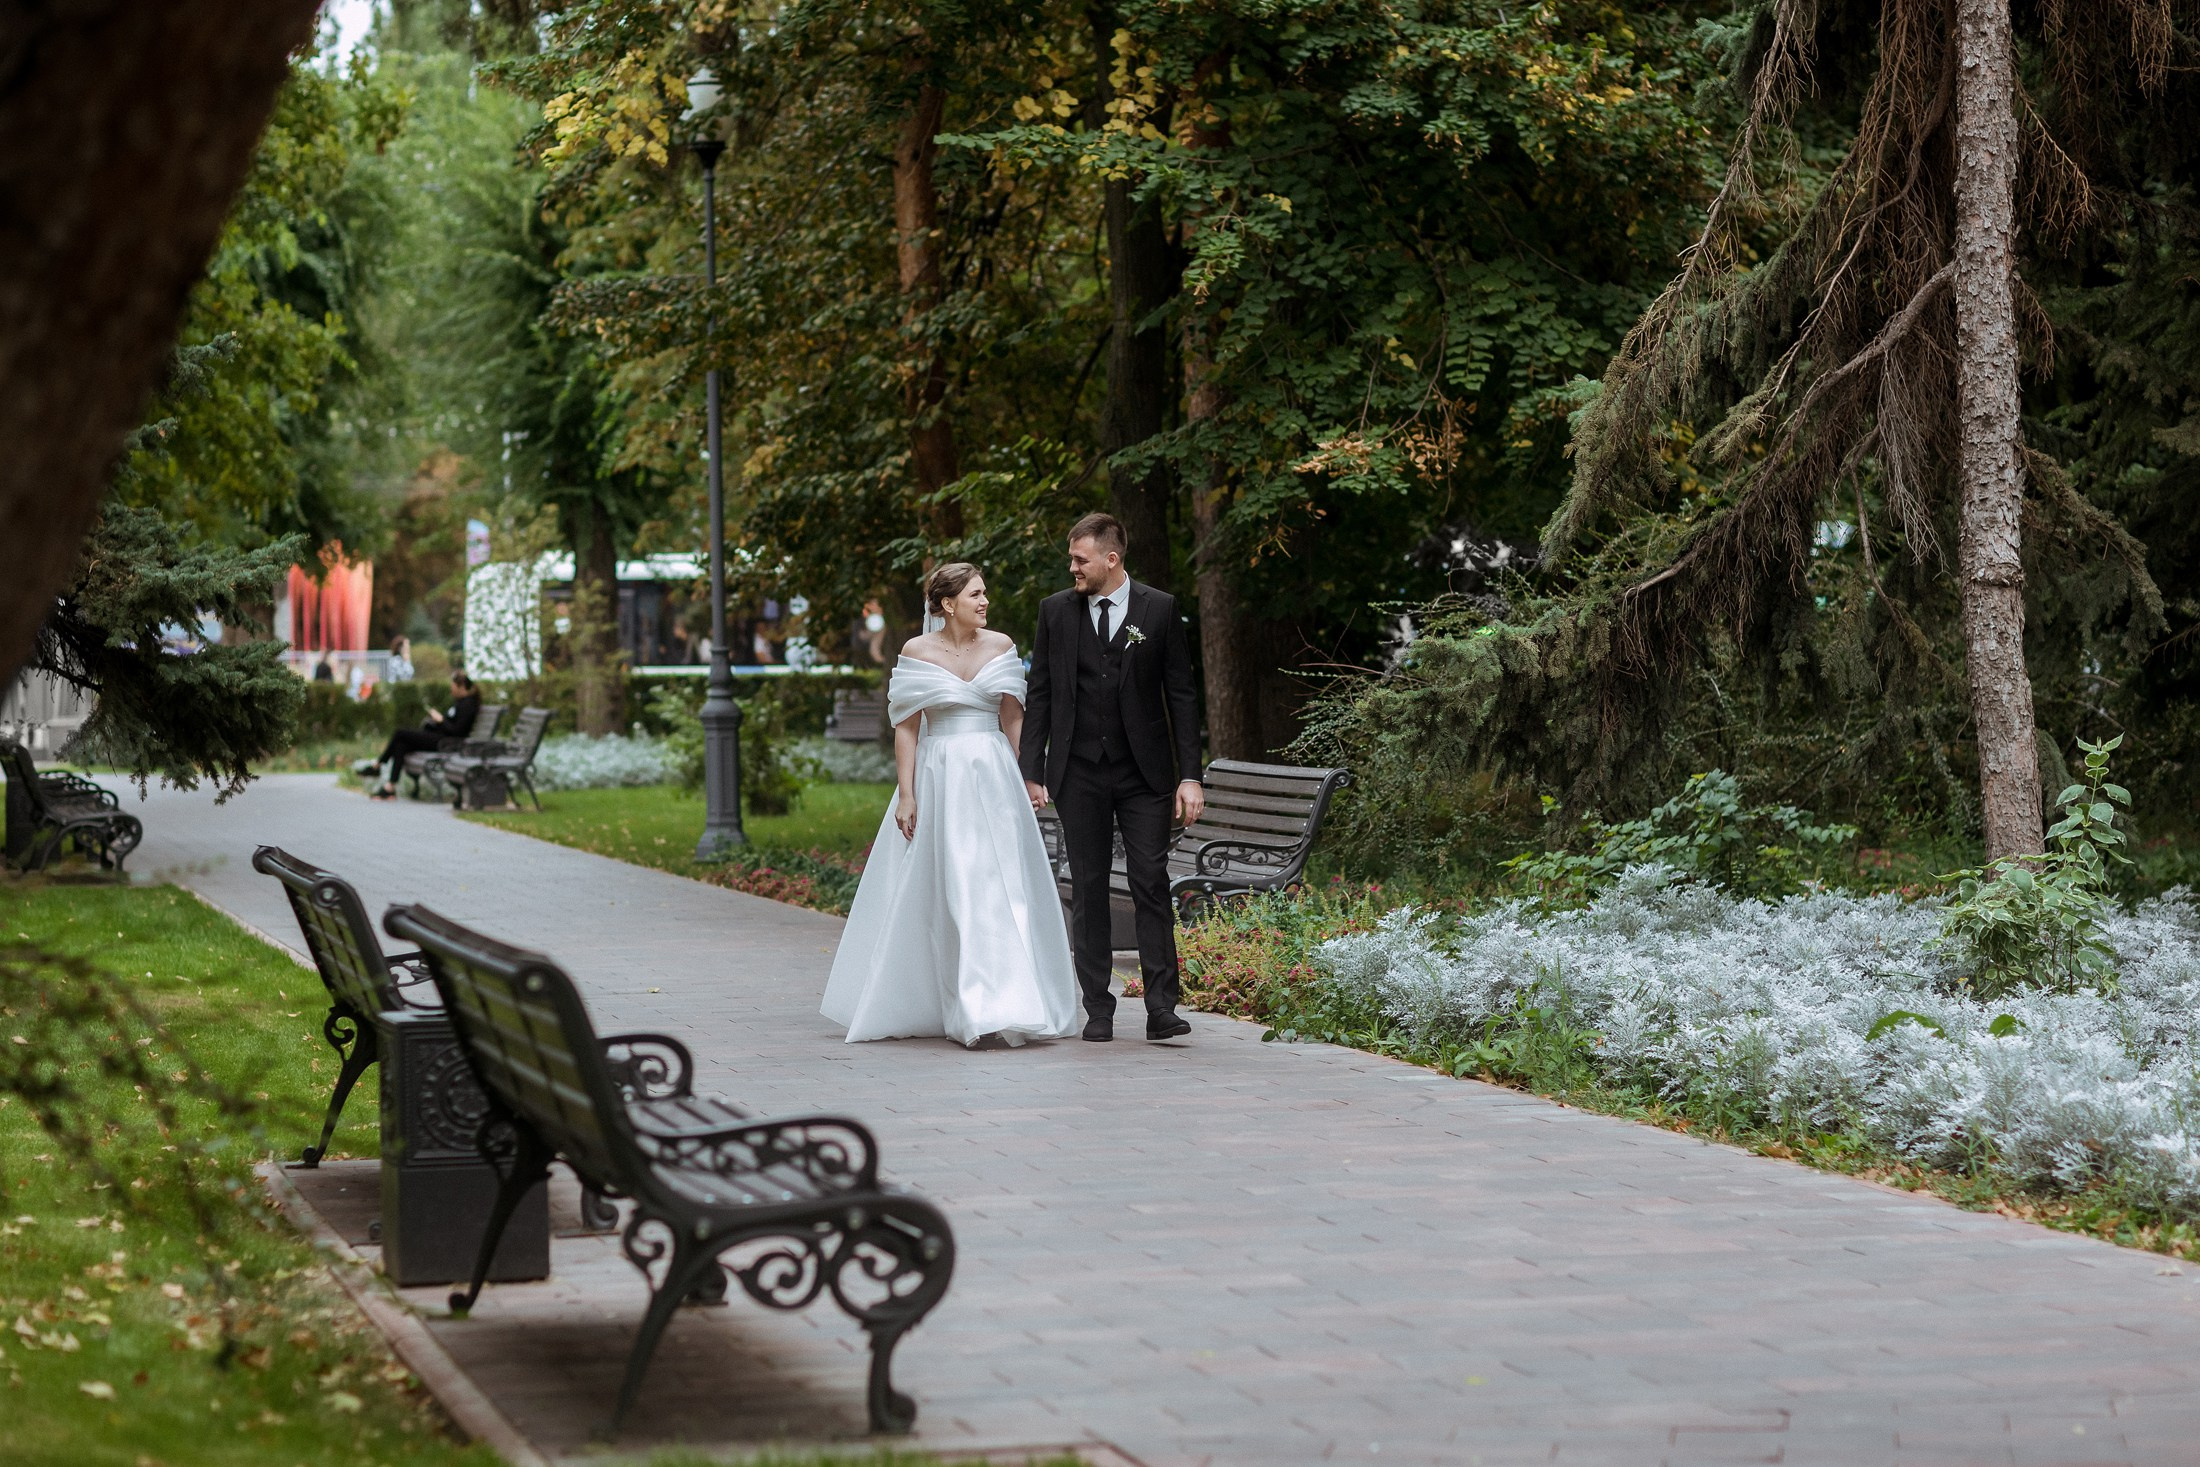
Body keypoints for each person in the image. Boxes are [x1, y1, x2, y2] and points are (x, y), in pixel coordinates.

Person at [821, 562, 1079, 1047]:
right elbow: (907, 727)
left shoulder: (1000, 646)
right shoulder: (916, 651)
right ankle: (963, 1005)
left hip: (994, 774)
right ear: (947, 604)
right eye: (976, 595)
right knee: (954, 888)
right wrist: (907, 793)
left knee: (1002, 888)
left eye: (985, 594)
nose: (985, 602)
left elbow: (1012, 718)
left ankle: (1002, 1007)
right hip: (940, 776)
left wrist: (1031, 776)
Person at [1019, 512, 1204, 1043]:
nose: (1072, 567)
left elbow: (1182, 699)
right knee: (1090, 885)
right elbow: (1043, 693)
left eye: (1080, 559)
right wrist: (1032, 771)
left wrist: (1189, 776)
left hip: (1145, 774)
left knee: (1151, 880)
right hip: (1078, 772)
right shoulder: (1056, 611)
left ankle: (1162, 1007)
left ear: (1111, 559)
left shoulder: (1160, 609)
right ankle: (1098, 1007)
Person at [361, 672, 481, 799]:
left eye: (453, 688)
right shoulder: (460, 703)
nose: (451, 691)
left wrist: (441, 720)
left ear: (461, 686)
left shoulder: (468, 705)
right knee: (401, 745)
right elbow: (450, 724)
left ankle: (378, 765)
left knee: (400, 733)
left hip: (447, 743)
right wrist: (435, 722)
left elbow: (457, 731)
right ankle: (390, 787)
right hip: (440, 738)